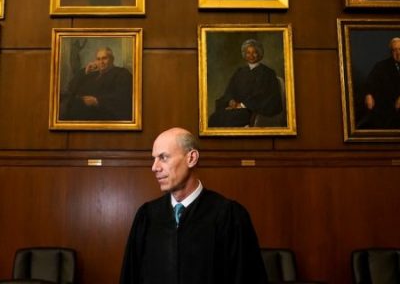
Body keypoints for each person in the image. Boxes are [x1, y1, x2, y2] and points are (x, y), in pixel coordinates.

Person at [119, 127, 268, 284]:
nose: (154, 167)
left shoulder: (228, 216)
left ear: (191, 158)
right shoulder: (147, 216)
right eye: (154, 158)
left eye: (163, 157)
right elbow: (130, 277)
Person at [208, 39, 282, 127]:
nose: (251, 56)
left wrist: (243, 105)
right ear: (244, 54)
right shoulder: (240, 72)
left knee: (226, 119)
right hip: (236, 108)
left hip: (252, 111)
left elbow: (265, 97)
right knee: (214, 118)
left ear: (259, 53)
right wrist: (231, 100)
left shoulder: (268, 73)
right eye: (248, 53)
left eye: (254, 52)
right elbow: (230, 90)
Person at [60, 46, 132, 120]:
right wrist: (85, 71)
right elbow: (71, 87)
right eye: (98, 59)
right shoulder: (92, 74)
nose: (101, 62)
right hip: (82, 110)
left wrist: (97, 101)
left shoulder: (122, 73)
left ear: (112, 59)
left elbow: (123, 98)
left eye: (104, 58)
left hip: (103, 114)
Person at [359, 37, 400, 129]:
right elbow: (370, 83)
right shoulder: (381, 66)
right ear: (391, 52)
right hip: (387, 110)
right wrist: (368, 95)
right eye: (394, 50)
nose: (398, 53)